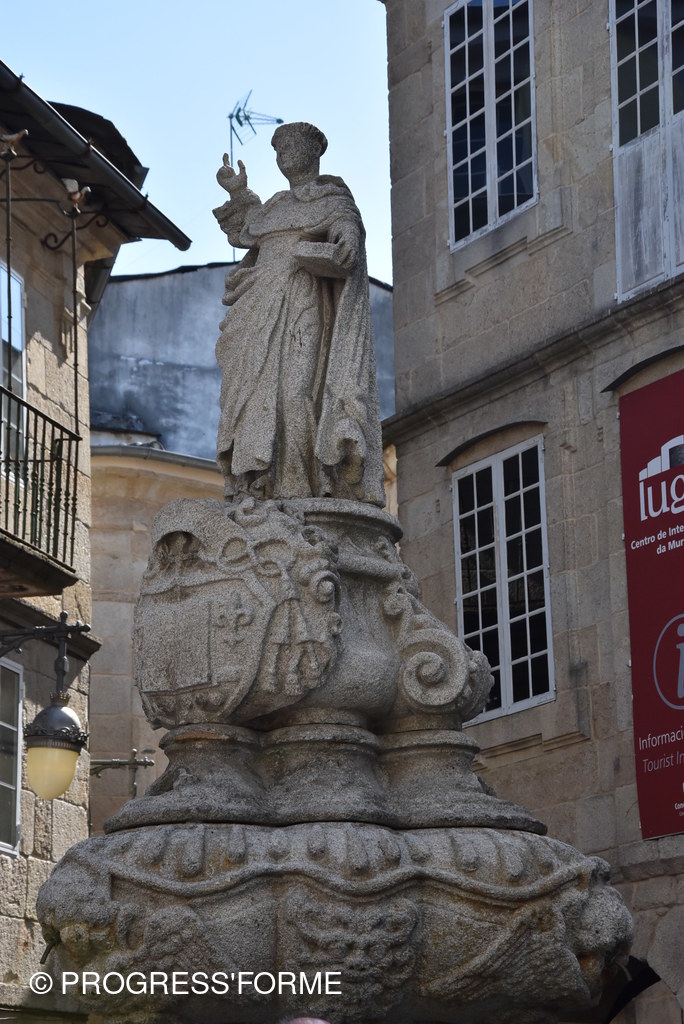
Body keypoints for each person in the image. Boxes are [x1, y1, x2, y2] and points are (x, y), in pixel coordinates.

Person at [213, 121, 385, 505]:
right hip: (259, 302)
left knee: (296, 393)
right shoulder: (276, 205)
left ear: (314, 151)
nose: (284, 154)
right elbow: (247, 230)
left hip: (302, 298)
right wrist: (238, 192)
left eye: (291, 145)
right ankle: (260, 483)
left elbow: (347, 231)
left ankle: (300, 484)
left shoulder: (333, 198)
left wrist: (346, 241)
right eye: (278, 149)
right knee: (255, 395)